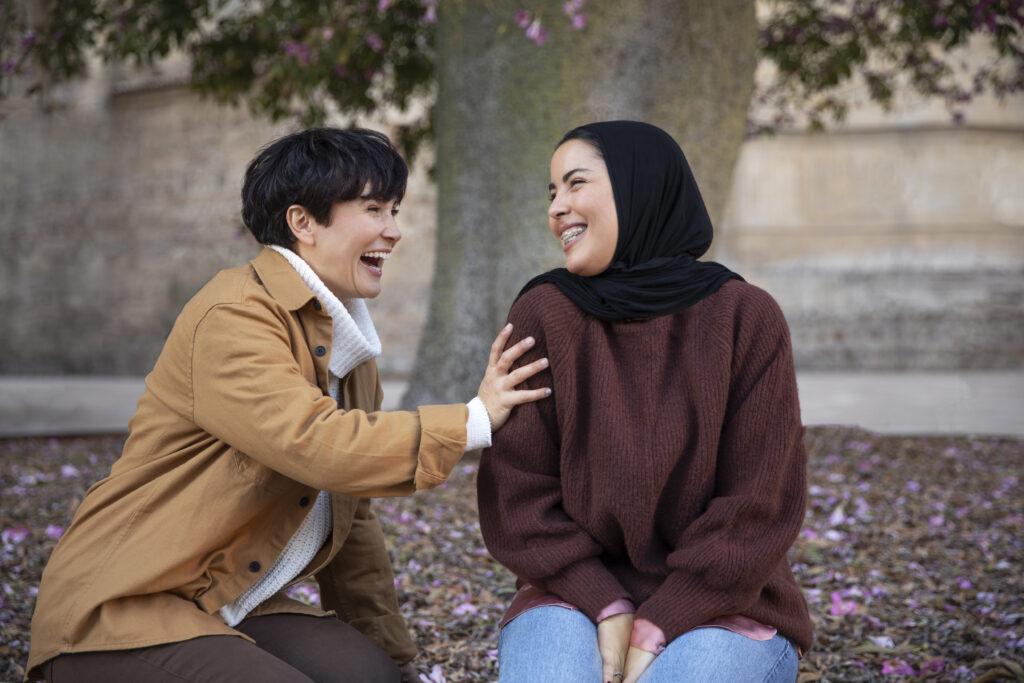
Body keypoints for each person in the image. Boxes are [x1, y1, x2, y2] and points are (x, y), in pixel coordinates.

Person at [26, 127, 550, 683]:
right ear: (303, 223)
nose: (393, 232)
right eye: (373, 209)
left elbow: (354, 518)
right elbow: (315, 444)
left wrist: (390, 659)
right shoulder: (233, 314)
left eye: (394, 210)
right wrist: (472, 419)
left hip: (230, 598)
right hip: (126, 607)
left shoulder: (349, 348)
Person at [477, 121, 813, 683]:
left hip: (725, 605)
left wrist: (660, 622)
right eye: (552, 192)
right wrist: (607, 604)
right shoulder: (541, 314)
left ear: (642, 186)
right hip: (571, 595)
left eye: (575, 183)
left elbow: (758, 503)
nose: (558, 207)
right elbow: (518, 495)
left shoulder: (745, 317)